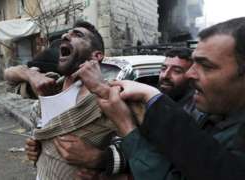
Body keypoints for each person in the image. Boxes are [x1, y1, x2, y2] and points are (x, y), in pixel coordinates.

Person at [94, 17, 245, 180]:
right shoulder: (210, 112)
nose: (190, 74)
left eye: (207, 66)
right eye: (163, 68)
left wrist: (127, 123)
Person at [52, 47, 203, 179]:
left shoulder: (196, 116)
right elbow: (122, 141)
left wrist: (101, 161)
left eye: (177, 71)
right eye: (163, 69)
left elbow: (162, 164)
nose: (166, 75)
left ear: (191, 77)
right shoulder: (148, 101)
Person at [22, 20, 120, 180]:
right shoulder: (49, 87)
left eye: (78, 34)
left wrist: (101, 161)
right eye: (67, 33)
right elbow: (11, 76)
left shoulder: (109, 99)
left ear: (96, 56)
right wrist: (36, 146)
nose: (65, 35)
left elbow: (135, 149)